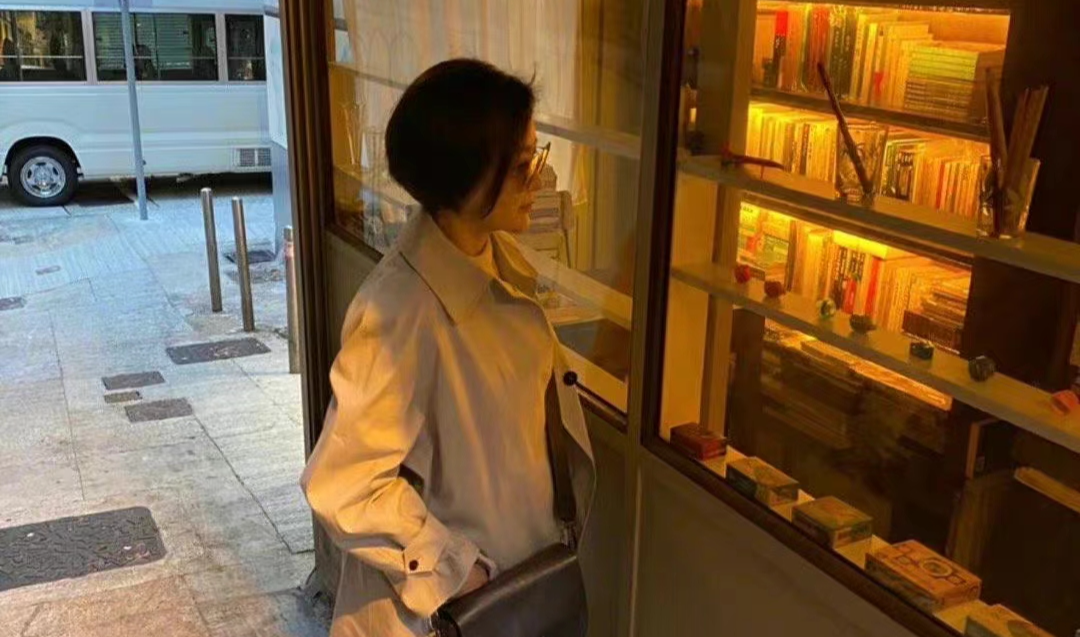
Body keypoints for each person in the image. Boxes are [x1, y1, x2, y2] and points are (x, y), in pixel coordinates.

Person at [301, 58, 596, 637]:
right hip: (449, 616)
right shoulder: (401, 310)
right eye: (520, 166)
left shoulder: (496, 268)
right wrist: (457, 571)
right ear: (464, 175)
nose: (538, 180)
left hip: (517, 592)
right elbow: (343, 481)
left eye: (535, 157)